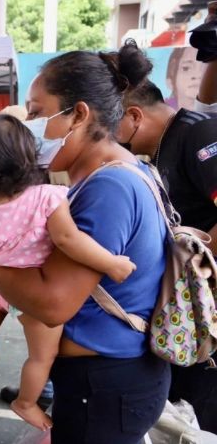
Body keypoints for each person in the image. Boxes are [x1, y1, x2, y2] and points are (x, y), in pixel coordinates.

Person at [0, 40, 169, 443]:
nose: (27, 126)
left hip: (104, 384)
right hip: (106, 379)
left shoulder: (109, 188)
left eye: (36, 113)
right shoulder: (115, 173)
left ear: (78, 115)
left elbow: (53, 305)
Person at [0, 114, 136, 430]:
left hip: (0, 288)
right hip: (33, 296)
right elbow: (69, 240)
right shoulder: (47, 198)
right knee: (41, 358)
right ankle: (26, 402)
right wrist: (111, 263)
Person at [118, 79, 217, 432]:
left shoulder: (198, 134)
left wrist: (187, 274)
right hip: (182, 312)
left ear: (134, 116)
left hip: (202, 307)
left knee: (203, 418)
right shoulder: (162, 148)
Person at [166, 46, 204, 111]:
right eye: (186, 68)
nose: (197, 75)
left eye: (205, 69)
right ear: (170, 80)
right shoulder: (157, 114)